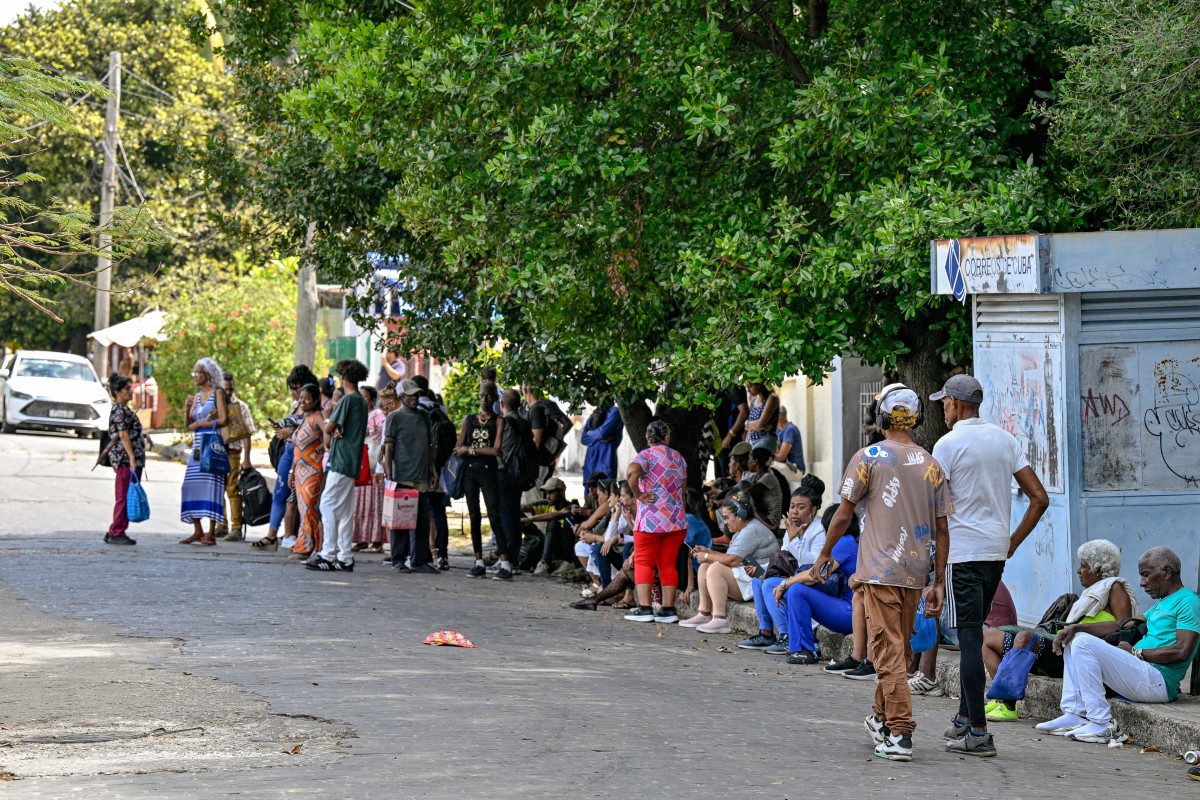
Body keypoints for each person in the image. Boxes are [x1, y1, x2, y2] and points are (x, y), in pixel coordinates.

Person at [810, 383, 951, 762]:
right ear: (916, 418)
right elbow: (941, 530)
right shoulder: (931, 464)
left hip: (879, 572)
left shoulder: (868, 457)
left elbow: (843, 514)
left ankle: (901, 733)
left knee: (887, 653)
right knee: (899, 651)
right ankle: (880, 717)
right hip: (916, 572)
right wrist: (937, 580)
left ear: (882, 419)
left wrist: (824, 552)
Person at [926, 373, 1049, 757]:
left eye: (944, 402)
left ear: (956, 404)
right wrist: (1011, 542)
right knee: (974, 634)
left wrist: (932, 567)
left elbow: (936, 509)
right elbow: (1039, 498)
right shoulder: (1005, 439)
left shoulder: (947, 444)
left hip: (962, 553)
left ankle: (977, 731)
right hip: (994, 552)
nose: (943, 409)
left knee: (968, 641)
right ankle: (965, 717)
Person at [1033, 547, 1199, 744]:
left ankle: (1102, 723)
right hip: (1143, 672)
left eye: (1146, 575)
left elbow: (1183, 650)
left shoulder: (1189, 601)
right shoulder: (1160, 604)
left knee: (1084, 644)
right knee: (1075, 639)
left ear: (1166, 572)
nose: (1142, 583)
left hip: (1159, 680)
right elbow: (1122, 624)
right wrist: (1077, 627)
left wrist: (1137, 653)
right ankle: (1075, 714)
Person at [977, 540, 1136, 721]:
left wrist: (1078, 627)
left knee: (1025, 638)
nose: (1078, 571)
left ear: (1098, 570)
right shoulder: (1093, 592)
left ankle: (1008, 707)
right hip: (1062, 646)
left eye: (1084, 566)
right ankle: (1000, 699)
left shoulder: (1115, 588)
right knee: (986, 637)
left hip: (1074, 655)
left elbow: (1125, 625)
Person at [739, 476, 827, 654]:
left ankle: (787, 636)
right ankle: (766, 632)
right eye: (792, 506)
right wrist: (761, 570)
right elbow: (785, 560)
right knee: (758, 579)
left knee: (771, 584)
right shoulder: (792, 528)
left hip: (811, 583)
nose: (794, 512)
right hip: (793, 576)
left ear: (814, 510)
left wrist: (794, 538)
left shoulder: (819, 530)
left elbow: (812, 565)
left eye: (801, 508)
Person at [679, 491, 777, 633]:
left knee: (715, 569)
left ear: (741, 515)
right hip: (749, 577)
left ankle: (719, 619)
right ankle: (704, 613)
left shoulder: (752, 530)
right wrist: (709, 553)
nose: (724, 522)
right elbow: (732, 557)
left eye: (727, 518)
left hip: (758, 582)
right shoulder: (744, 529)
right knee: (705, 566)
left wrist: (708, 555)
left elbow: (733, 560)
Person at [622, 420, 688, 624]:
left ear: (647, 438)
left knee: (643, 562)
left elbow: (632, 472)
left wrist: (638, 494)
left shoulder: (646, 456)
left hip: (650, 520)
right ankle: (668, 610)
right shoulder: (679, 458)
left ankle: (645, 608)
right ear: (667, 438)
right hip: (676, 520)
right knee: (667, 563)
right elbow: (683, 489)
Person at [308, 359, 369, 572]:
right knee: (345, 510)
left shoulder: (347, 400)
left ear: (343, 378)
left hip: (340, 460)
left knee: (327, 504)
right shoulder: (361, 401)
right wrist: (333, 429)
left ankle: (328, 553)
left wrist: (326, 419)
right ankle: (345, 556)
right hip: (352, 461)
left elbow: (330, 426)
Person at [256, 365, 318, 550]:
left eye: (296, 387)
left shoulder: (315, 408)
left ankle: (295, 536)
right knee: (281, 493)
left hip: (303, 455)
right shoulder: (296, 405)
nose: (293, 392)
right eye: (291, 388)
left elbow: (312, 431)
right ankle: (273, 534)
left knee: (296, 498)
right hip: (288, 452)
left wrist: (289, 433)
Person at [382, 378, 439, 575]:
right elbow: (389, 446)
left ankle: (419, 559)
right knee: (400, 521)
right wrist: (389, 472)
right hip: (402, 476)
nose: (414, 398)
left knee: (422, 522)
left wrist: (432, 471)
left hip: (421, 475)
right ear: (402, 396)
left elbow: (429, 446)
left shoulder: (424, 416)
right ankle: (398, 559)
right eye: (410, 395)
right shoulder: (394, 417)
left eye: (416, 394)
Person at [458, 381, 507, 578]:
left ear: (495, 399)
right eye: (481, 396)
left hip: (489, 472)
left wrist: (470, 450)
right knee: (474, 516)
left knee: (494, 515)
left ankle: (505, 563)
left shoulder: (499, 421)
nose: (484, 400)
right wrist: (468, 450)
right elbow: (458, 447)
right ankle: (478, 561)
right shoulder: (469, 420)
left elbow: (495, 450)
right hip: (470, 473)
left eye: (488, 396)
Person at [179, 357, 228, 546]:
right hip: (198, 446)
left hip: (212, 443)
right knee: (189, 486)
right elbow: (188, 425)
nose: (195, 376)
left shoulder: (218, 393)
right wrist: (186, 410)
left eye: (198, 373)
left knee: (213, 487)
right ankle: (197, 530)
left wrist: (202, 423)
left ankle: (211, 532)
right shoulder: (197, 396)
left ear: (207, 375)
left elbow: (223, 419)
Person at [103, 373, 144, 546]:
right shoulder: (119, 409)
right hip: (125, 460)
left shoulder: (124, 410)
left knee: (126, 494)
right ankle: (117, 531)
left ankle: (114, 528)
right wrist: (132, 457)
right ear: (118, 392)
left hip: (130, 459)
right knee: (124, 496)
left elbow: (130, 432)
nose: (130, 391)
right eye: (127, 389)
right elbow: (123, 434)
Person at [218, 372, 256, 542]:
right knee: (218, 488)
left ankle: (236, 527)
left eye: (230, 388)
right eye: (225, 389)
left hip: (233, 452)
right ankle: (221, 524)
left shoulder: (240, 406)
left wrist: (246, 458)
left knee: (232, 489)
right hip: (216, 451)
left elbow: (247, 434)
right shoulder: (214, 404)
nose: (228, 391)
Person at [289, 383, 325, 559]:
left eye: (307, 398)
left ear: (315, 400)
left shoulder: (318, 417)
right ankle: (304, 544)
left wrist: (322, 447)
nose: (302, 401)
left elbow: (330, 435)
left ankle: (312, 546)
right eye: (301, 398)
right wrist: (291, 471)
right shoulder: (304, 418)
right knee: (303, 510)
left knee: (310, 508)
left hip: (313, 470)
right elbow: (297, 450)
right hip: (299, 471)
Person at [352, 385, 388, 553]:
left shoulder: (378, 415)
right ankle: (362, 538)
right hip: (361, 466)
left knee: (374, 505)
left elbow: (381, 437)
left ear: (372, 400)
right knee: (360, 505)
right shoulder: (359, 415)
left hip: (373, 466)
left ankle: (376, 540)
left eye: (365, 397)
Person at [580, 401, 623, 492]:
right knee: (589, 495)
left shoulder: (615, 412)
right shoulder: (596, 413)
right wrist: (599, 437)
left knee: (605, 492)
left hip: (605, 461)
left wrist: (591, 434)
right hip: (590, 462)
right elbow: (583, 438)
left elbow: (602, 433)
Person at [713, 385, 749, 479]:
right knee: (719, 478)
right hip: (718, 441)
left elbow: (744, 412)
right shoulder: (719, 385)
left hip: (728, 442)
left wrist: (730, 434)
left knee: (728, 477)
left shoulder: (734, 387)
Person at [743, 382, 780, 454]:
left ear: (759, 385)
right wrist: (753, 424)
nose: (748, 390)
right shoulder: (753, 399)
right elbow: (745, 424)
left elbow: (759, 424)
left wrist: (749, 424)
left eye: (750, 387)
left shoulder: (772, 397)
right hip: (751, 440)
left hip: (765, 440)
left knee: (756, 464)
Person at [773, 406, 805, 486]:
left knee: (767, 466)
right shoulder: (777, 430)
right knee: (764, 465)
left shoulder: (790, 429)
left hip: (795, 470)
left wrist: (765, 457)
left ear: (779, 416)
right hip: (784, 466)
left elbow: (781, 456)